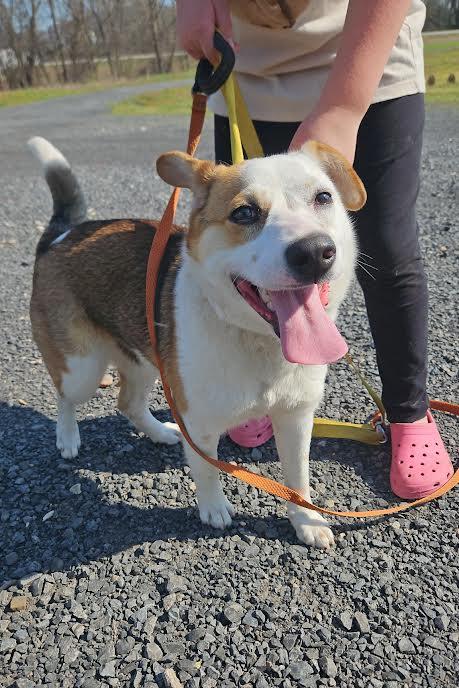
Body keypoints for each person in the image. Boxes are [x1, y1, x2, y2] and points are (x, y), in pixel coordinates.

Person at [175, 0, 453, 501]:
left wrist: (345, 106)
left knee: (386, 247)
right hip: (247, 64)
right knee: (258, 261)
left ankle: (409, 411)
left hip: (368, 52)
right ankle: (255, 401)